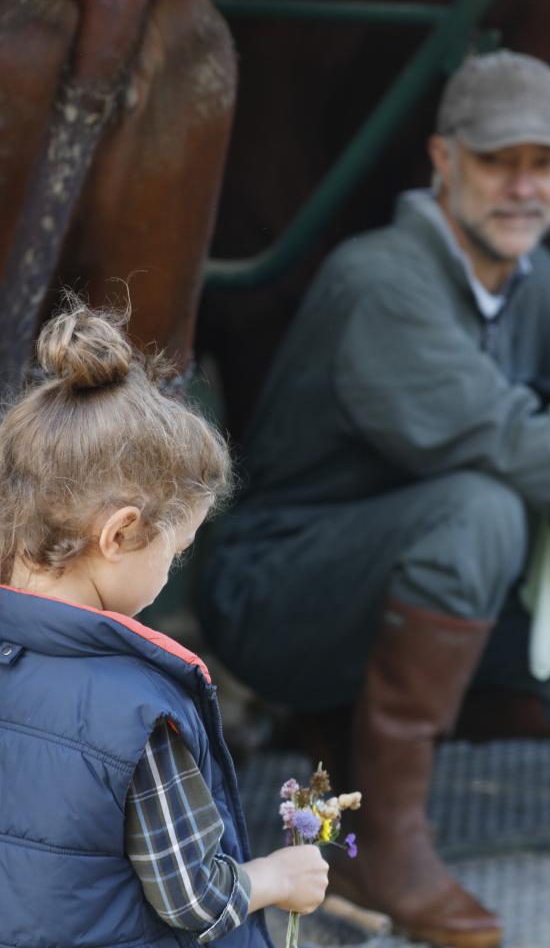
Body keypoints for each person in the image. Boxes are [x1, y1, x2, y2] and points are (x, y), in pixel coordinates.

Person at [198, 50, 550, 948]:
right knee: (483, 506)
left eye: (544, 163)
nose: (524, 186)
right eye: (496, 159)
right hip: (278, 594)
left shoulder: (533, 282)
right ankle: (382, 849)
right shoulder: (383, 278)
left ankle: (344, 738)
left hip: (408, 587)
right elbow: (518, 451)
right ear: (442, 160)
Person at [0, 299, 328, 947]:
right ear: (120, 534)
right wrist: (277, 876)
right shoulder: (138, 714)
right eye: (175, 555)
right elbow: (196, 900)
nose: (170, 576)